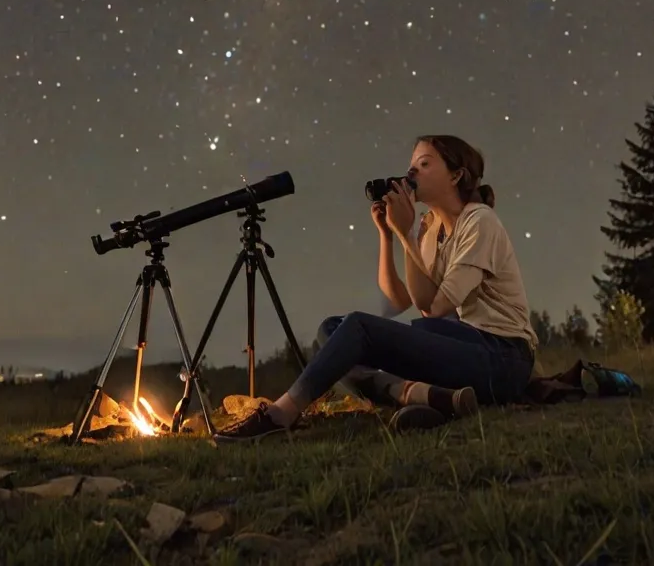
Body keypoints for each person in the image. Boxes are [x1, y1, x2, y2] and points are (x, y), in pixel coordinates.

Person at [216, 134, 538, 441]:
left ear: (456, 176)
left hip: (502, 358)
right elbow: (402, 299)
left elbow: (436, 308)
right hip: (461, 342)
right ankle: (427, 398)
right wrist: (389, 235)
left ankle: (278, 415)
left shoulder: (479, 221)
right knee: (332, 329)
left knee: (358, 328)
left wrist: (406, 234)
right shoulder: (431, 228)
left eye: (425, 163)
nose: (412, 170)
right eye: (412, 163)